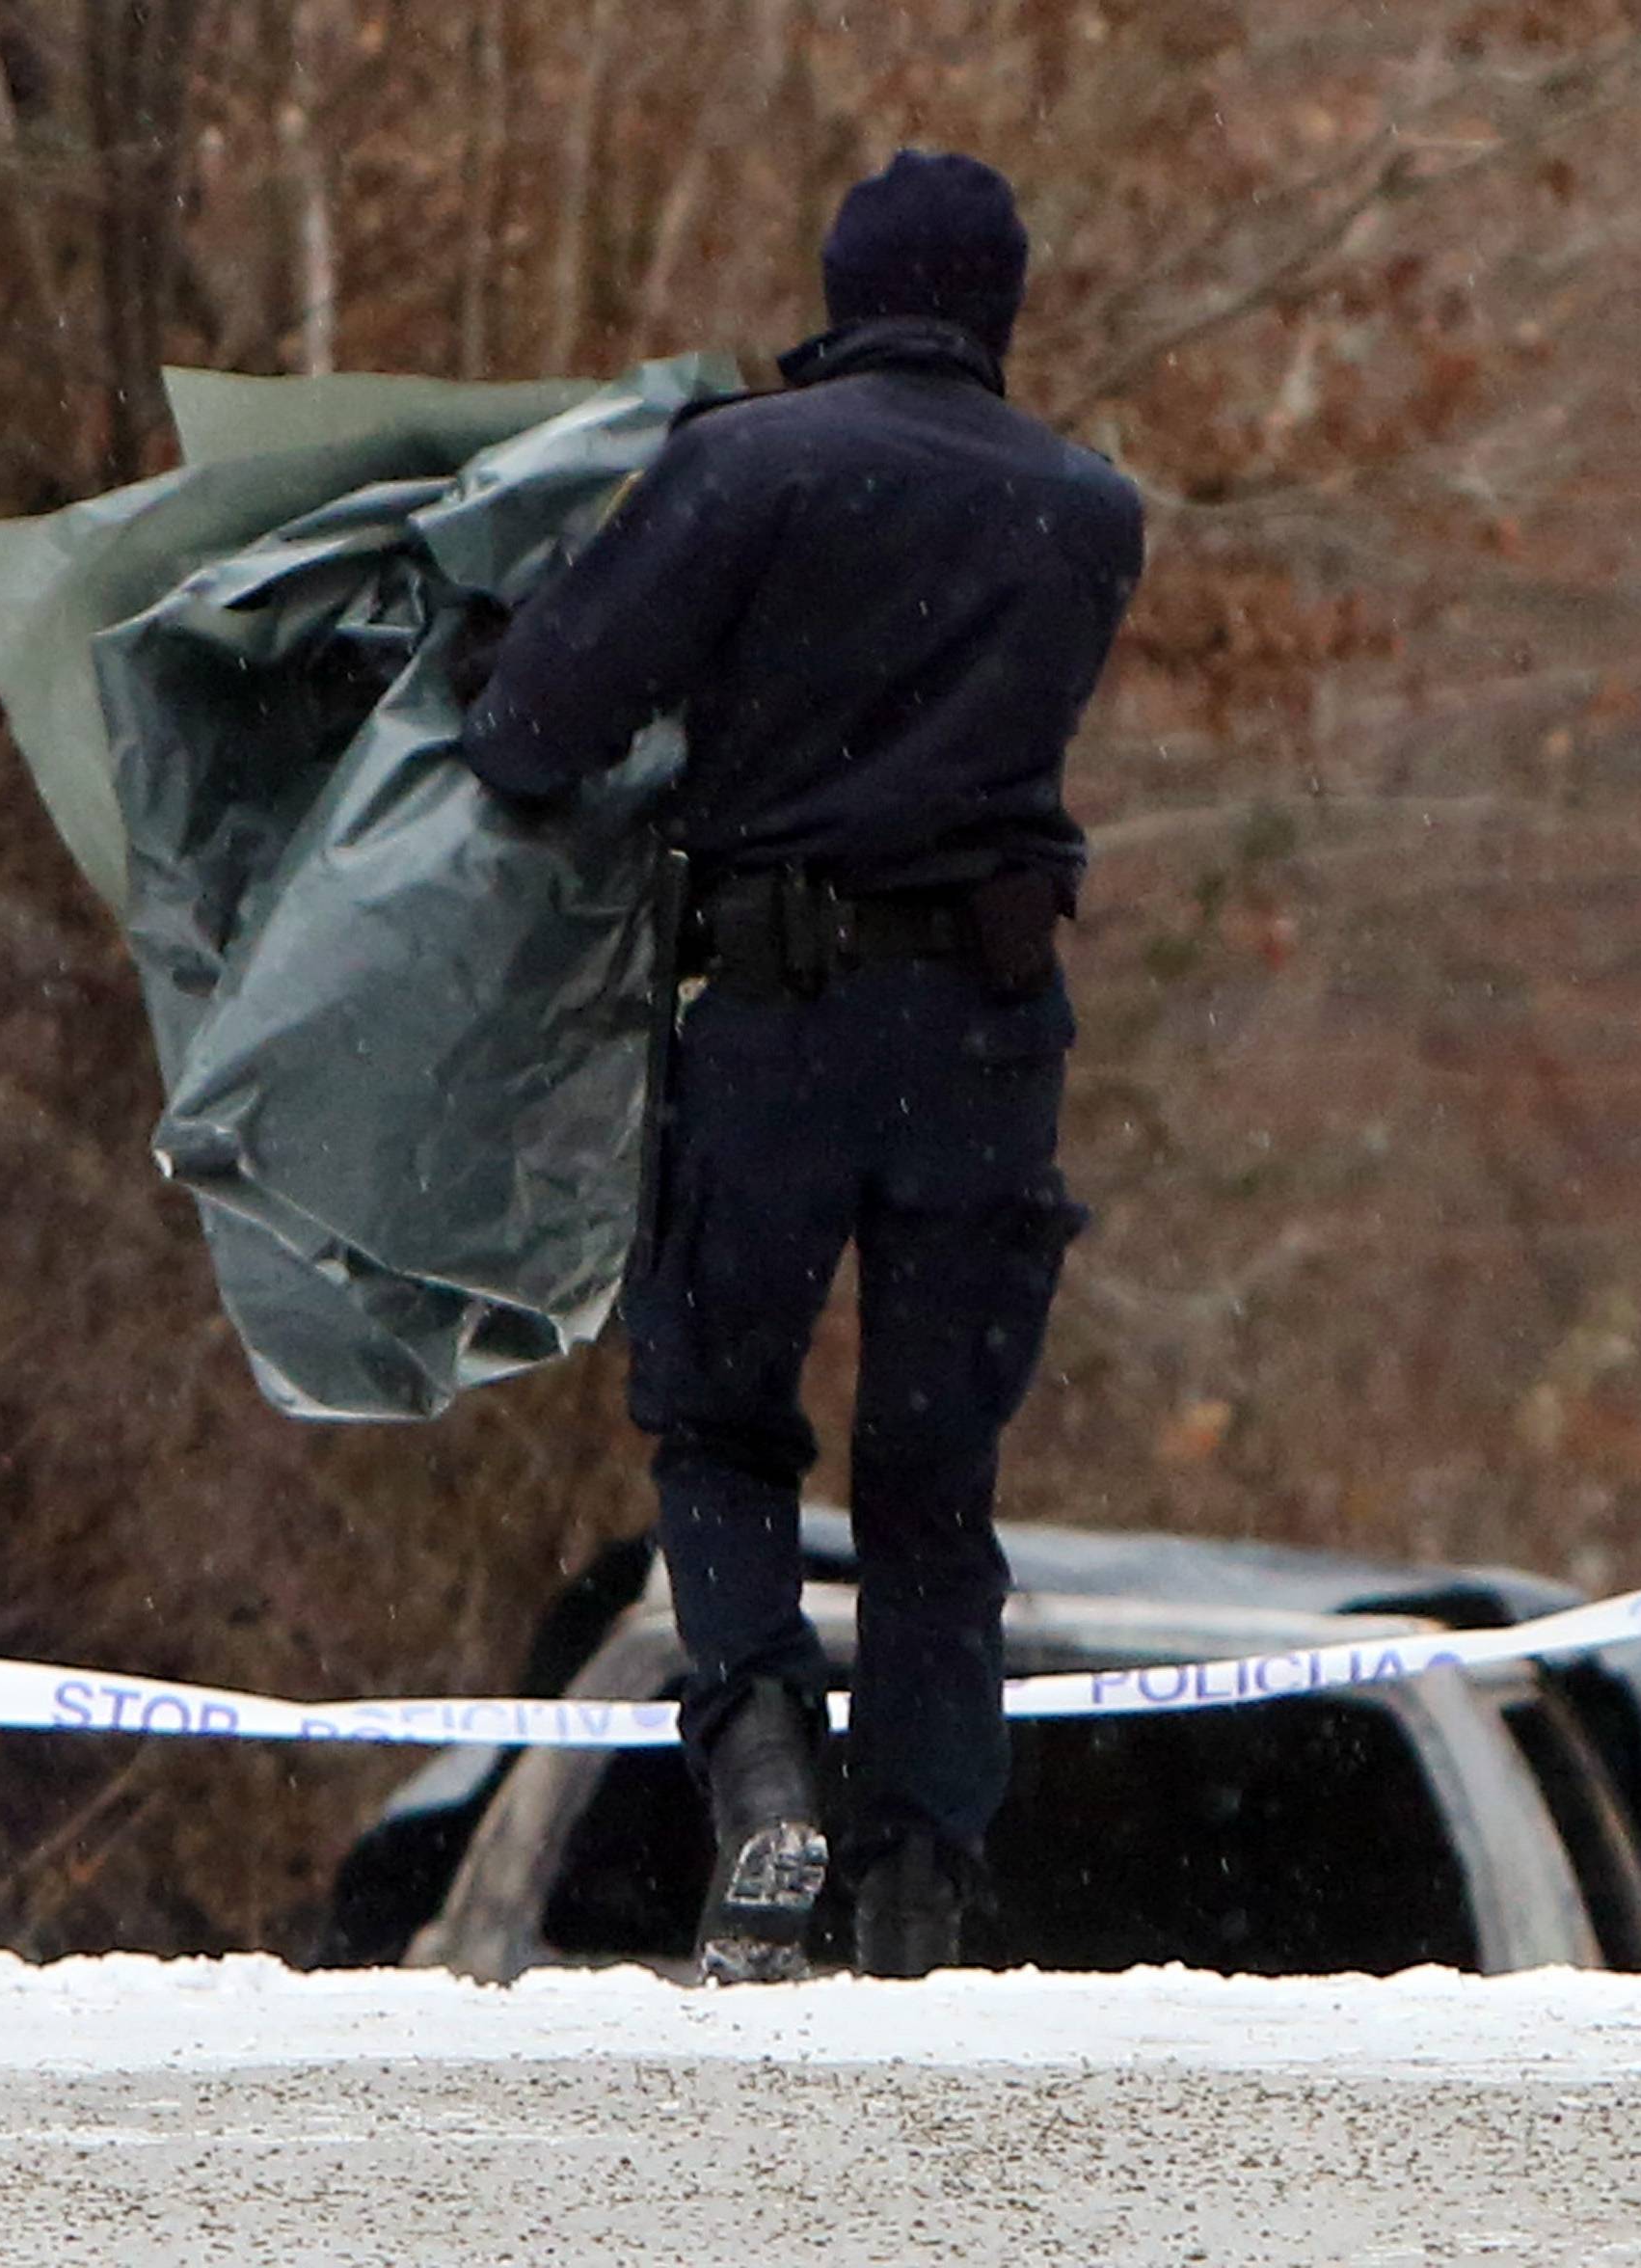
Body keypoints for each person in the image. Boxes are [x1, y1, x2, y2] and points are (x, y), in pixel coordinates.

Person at [461, 149, 1143, 1984]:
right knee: (936, 1471)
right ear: (1000, 301)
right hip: (990, 1040)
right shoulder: (1091, 511)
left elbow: (534, 734)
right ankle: (921, 1872)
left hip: (774, 1023)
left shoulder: (749, 464)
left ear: (842, 290)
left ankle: (763, 1774)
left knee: (719, 1417)